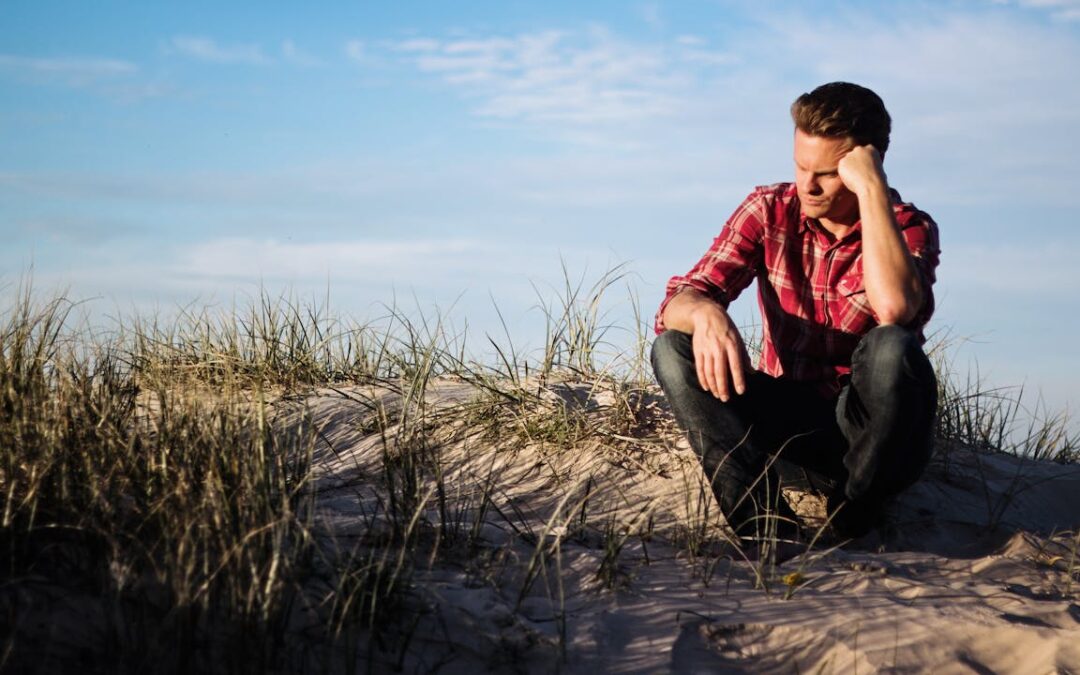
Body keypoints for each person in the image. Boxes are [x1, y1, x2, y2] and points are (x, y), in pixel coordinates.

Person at [650, 82, 940, 545]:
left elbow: (896, 309)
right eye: (801, 166)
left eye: (827, 173)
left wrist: (871, 191)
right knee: (672, 348)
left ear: (869, 165)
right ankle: (767, 531)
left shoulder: (907, 226)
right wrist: (705, 313)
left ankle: (854, 519)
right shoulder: (770, 209)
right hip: (792, 424)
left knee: (892, 346)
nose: (808, 184)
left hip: (878, 437)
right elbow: (679, 299)